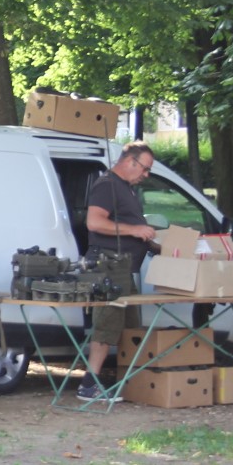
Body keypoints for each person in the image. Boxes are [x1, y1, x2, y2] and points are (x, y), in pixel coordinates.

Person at [78, 142, 159, 401]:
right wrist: (134, 230)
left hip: (124, 268)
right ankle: (89, 385)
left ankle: (132, 383)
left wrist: (150, 241)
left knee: (130, 328)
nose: (146, 175)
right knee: (106, 327)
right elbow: (95, 222)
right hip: (108, 267)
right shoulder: (107, 185)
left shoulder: (126, 188)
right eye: (145, 169)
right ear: (130, 161)